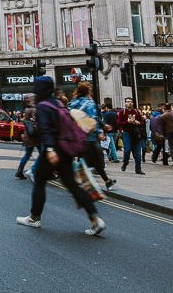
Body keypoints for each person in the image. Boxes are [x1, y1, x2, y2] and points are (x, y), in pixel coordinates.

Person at [16, 76, 106, 236]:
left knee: (39, 179)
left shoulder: (43, 105)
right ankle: (95, 220)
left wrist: (50, 149)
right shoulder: (58, 103)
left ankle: (34, 217)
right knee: (72, 184)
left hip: (54, 149)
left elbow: (46, 128)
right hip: (67, 149)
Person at [69, 82, 115, 189]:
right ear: (88, 91)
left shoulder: (73, 103)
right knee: (96, 161)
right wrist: (100, 131)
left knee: (85, 160)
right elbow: (93, 118)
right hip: (91, 137)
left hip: (78, 136)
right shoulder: (90, 103)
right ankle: (82, 183)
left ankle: (106, 181)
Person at [117, 97, 146, 174]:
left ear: (133, 103)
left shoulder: (136, 112)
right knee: (127, 150)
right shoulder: (122, 112)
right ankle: (125, 163)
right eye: (127, 102)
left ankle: (138, 169)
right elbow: (119, 123)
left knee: (137, 153)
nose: (129, 103)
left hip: (136, 134)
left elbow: (142, 122)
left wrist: (137, 122)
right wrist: (127, 122)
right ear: (125, 103)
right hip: (127, 133)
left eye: (131, 102)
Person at [15, 94, 36, 179]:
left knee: (27, 154)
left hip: (28, 135)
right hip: (35, 136)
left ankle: (19, 171)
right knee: (43, 153)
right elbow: (35, 123)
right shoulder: (33, 109)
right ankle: (33, 170)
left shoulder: (27, 109)